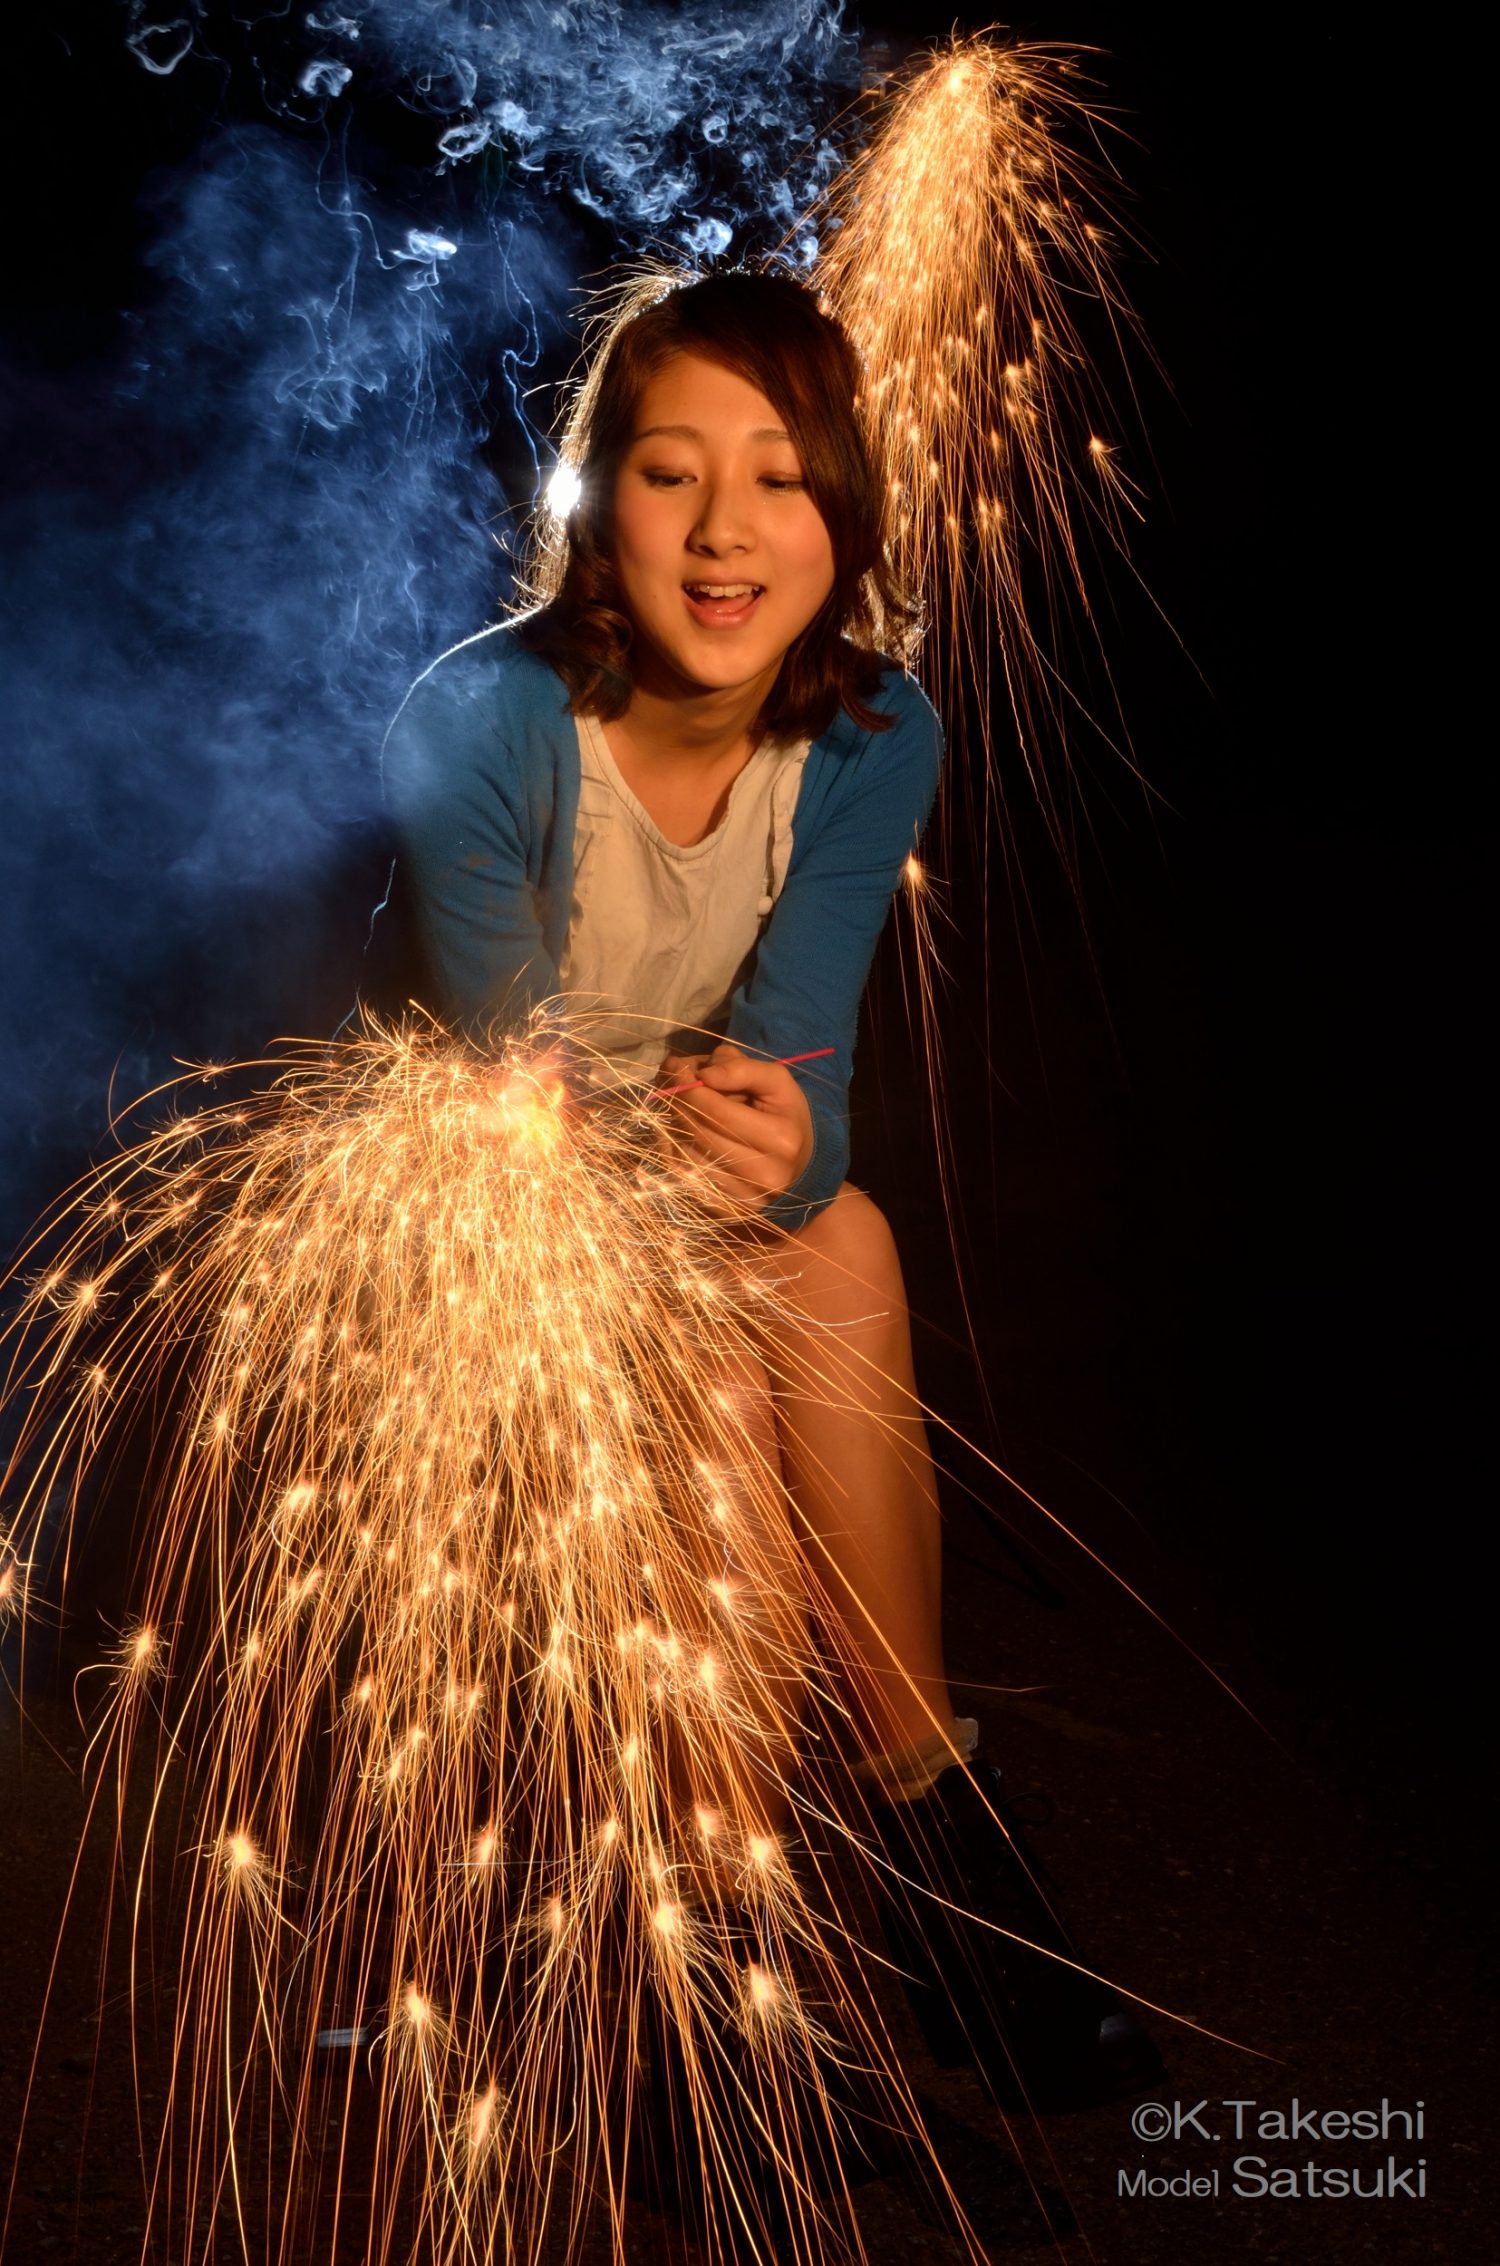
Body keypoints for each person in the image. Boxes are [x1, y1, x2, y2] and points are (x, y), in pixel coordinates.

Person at [383, 266, 1160, 2112]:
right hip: (506, 1218)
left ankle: (840, 1866)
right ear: (593, 510)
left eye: (782, 475)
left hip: (710, 1216)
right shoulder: (474, 726)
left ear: (844, 511)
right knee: (731, 1357)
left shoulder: (882, 733)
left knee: (843, 1226)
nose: (729, 531)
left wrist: (790, 1140)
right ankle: (818, 1906)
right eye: (669, 474)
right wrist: (714, 1186)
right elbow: (513, 1099)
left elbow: (805, 1055)